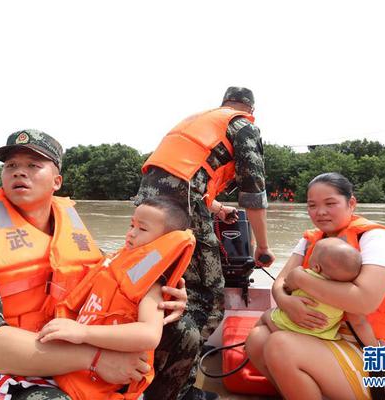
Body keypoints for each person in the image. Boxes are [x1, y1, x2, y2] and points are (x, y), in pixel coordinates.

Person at [0, 129, 189, 400]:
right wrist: (95, 359)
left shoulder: (77, 240)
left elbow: (117, 275)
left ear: (56, 181)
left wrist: (159, 295)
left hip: (73, 348)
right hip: (6, 369)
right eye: (11, 165)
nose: (19, 172)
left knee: (182, 333)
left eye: (33, 165)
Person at [245, 172, 385, 400]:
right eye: (312, 205)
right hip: (339, 334)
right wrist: (287, 302)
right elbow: (280, 282)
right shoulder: (312, 238)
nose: (320, 212)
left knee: (280, 345)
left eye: (330, 203)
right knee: (257, 340)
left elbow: (363, 301)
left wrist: (300, 279)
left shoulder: (375, 239)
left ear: (351, 203)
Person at [136, 86, 276, 400]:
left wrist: (215, 208)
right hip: (181, 205)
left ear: (224, 103)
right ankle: (179, 389)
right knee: (207, 297)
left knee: (165, 287)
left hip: (148, 208)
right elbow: (253, 190)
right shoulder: (243, 125)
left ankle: (147, 377)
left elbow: (177, 179)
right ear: (250, 108)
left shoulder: (200, 121)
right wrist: (263, 247)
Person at [38, 196, 195, 399]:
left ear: (165, 241)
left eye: (142, 229)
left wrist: (83, 332)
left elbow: (149, 334)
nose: (131, 233)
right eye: (131, 225)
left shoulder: (151, 285)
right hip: (78, 363)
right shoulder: (116, 261)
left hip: (103, 377)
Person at [261, 237, 376, 346]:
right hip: (320, 336)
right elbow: (359, 323)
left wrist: (292, 286)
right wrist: (377, 346)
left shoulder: (302, 275)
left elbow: (286, 286)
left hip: (286, 326)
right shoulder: (346, 296)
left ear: (316, 267)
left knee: (266, 316)